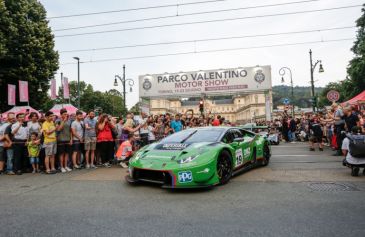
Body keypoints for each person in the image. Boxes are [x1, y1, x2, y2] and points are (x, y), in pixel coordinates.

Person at [56, 108, 72, 173]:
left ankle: (66, 166)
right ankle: (61, 167)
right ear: (61, 115)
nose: (65, 115)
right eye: (64, 114)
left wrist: (71, 139)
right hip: (61, 139)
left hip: (67, 139)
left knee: (67, 154)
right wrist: (63, 121)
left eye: (66, 114)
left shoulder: (69, 121)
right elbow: (59, 129)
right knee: (61, 154)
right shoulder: (58, 121)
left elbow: (70, 131)